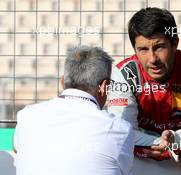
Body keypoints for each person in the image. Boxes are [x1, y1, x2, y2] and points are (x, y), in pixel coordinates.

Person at [107, 7, 181, 175]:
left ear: (175, 43)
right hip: (148, 157)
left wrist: (180, 142)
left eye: (159, 47)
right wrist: (177, 148)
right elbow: (120, 135)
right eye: (143, 49)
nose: (152, 59)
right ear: (134, 49)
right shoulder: (125, 74)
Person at [13, 46, 134, 175]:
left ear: (62, 81)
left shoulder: (27, 115)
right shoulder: (120, 129)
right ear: (104, 86)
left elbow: (16, 147)